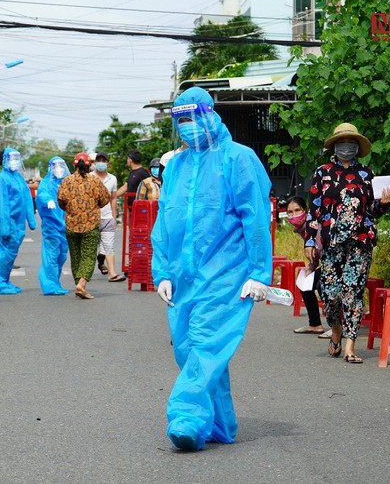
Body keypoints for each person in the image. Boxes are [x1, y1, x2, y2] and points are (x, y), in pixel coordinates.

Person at [151, 87, 272, 451]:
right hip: (183, 277)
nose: (187, 127)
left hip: (227, 274)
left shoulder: (239, 159)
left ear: (210, 115)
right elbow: (164, 221)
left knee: (206, 344)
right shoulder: (176, 167)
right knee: (188, 350)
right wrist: (162, 272)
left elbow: (255, 220)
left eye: (191, 118)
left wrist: (258, 273)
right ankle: (220, 424)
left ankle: (186, 415)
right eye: (180, 120)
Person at [303, 123, 390, 364]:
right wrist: (310, 241)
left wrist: (383, 203)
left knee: (353, 292)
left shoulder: (367, 174)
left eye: (351, 142)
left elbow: (372, 210)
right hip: (332, 243)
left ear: (357, 146)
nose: (346, 146)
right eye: (342, 142)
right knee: (331, 295)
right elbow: (314, 210)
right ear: (334, 145)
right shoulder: (322, 173)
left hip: (360, 241)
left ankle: (350, 346)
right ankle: (336, 330)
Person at [58, 152, 110, 300]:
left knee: (76, 257)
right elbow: (105, 198)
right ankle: (81, 284)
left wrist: (70, 211)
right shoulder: (94, 181)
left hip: (71, 225)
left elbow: (61, 200)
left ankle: (79, 285)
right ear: (89, 166)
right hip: (90, 224)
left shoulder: (66, 181)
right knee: (88, 256)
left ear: (74, 165)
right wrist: (95, 206)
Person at [0, 148, 37, 294]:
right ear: (5, 160)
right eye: (12, 158)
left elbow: (27, 198)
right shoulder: (0, 179)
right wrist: (4, 226)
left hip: (18, 223)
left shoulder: (18, 178)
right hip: (7, 223)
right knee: (5, 253)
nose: (15, 161)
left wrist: (31, 220)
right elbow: (1, 204)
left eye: (17, 158)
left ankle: (5, 280)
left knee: (11, 253)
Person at [286, 196, 324, 335]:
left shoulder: (313, 226)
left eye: (297, 210)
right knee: (305, 282)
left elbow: (322, 248)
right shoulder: (302, 229)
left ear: (305, 211)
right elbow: (314, 253)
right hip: (324, 263)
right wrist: (311, 267)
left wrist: (317, 267)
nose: (294, 215)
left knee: (322, 284)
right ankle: (315, 324)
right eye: (290, 212)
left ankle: (337, 326)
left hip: (336, 263)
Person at [36, 157, 70, 296]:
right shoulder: (46, 182)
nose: (59, 169)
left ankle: (54, 281)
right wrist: (48, 199)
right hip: (51, 224)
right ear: (50, 168)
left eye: (61, 166)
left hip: (65, 225)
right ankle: (49, 284)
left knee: (61, 255)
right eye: (56, 166)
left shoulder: (67, 183)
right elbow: (42, 193)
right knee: (51, 254)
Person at [91, 152, 124, 282]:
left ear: (108, 163)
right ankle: (83, 273)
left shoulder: (113, 179)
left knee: (109, 246)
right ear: (94, 163)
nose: (101, 163)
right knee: (91, 247)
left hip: (107, 217)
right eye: (98, 160)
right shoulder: (89, 177)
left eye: (103, 160)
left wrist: (114, 217)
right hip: (92, 218)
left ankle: (112, 273)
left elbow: (113, 198)